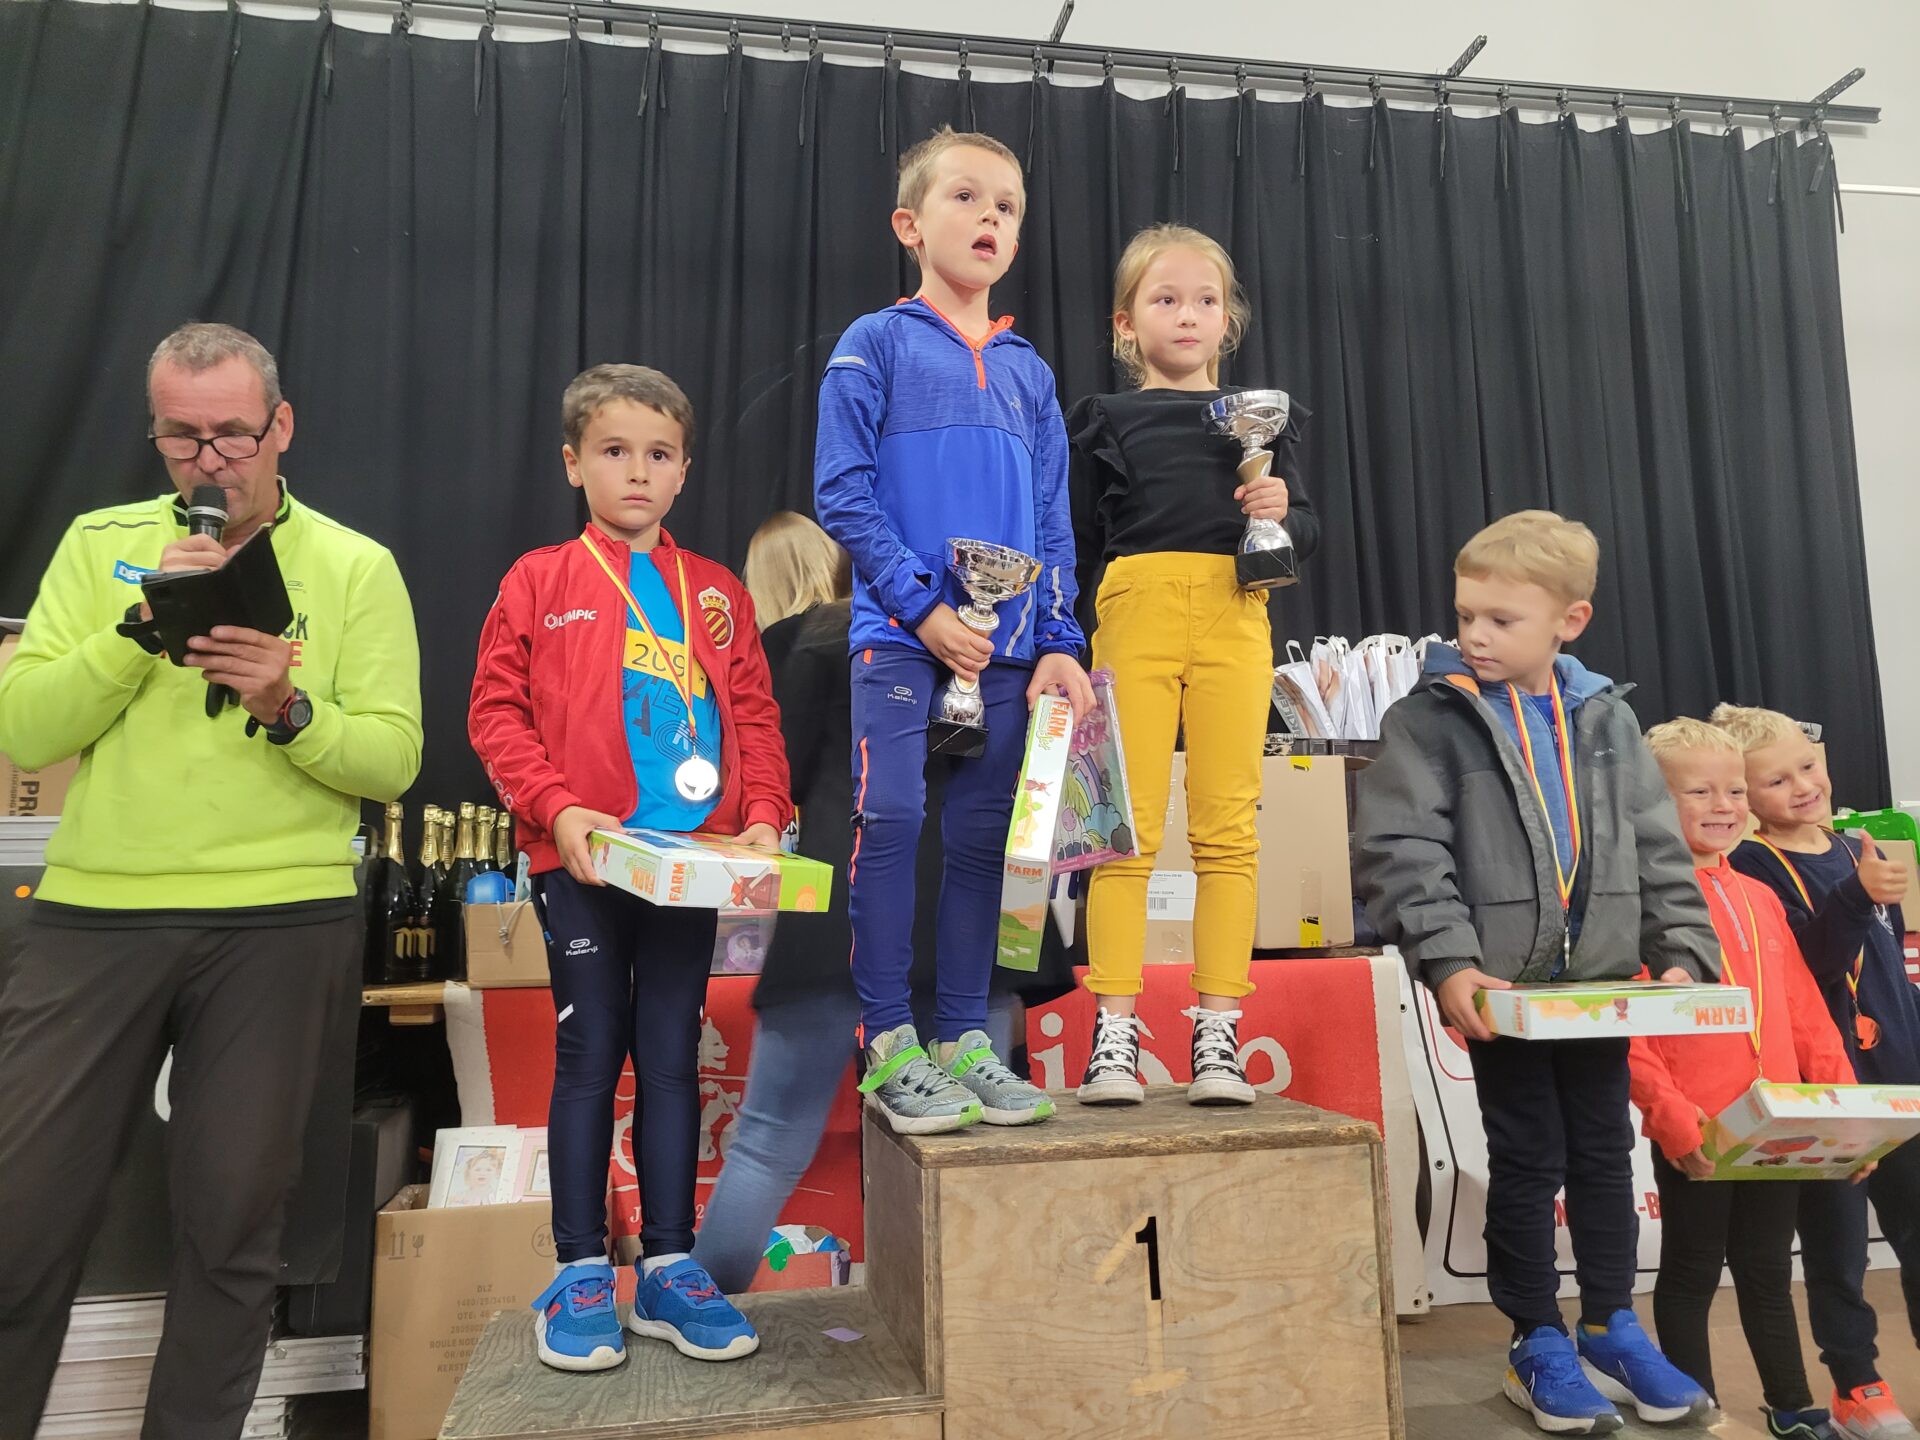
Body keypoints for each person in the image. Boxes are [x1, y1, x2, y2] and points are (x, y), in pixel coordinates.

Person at [0, 322, 423, 1440]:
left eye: (232, 434)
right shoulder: (101, 543)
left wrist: (290, 706)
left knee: (234, 1230)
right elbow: (26, 726)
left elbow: (392, 759)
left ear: (281, 427)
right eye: (181, 437)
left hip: (281, 920)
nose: (209, 461)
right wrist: (138, 629)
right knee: (19, 1217)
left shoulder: (355, 565)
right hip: (98, 912)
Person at [1353, 510, 1716, 1435]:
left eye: (1500, 619)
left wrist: (1684, 951)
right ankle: (1535, 1338)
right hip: (1506, 998)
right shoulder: (1427, 718)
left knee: (1603, 1154)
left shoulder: (1610, 717)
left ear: (1570, 621)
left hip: (1599, 993)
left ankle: (1610, 1325)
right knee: (1526, 1158)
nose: (1473, 634)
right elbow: (1402, 851)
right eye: (1465, 614)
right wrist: (1450, 962)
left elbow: (1657, 846)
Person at [469, 364, 790, 1373]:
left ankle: (668, 1266)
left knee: (670, 1053)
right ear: (574, 463)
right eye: (615, 452)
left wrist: (765, 817)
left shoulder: (718, 593)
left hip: (689, 865)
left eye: (659, 455)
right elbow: (495, 712)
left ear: (685, 470)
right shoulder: (540, 580)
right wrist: (556, 808)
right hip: (586, 860)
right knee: (589, 1051)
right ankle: (578, 1272)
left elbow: (755, 717)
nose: (637, 472)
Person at [814, 126, 1093, 1134]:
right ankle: (888, 1039)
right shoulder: (874, 343)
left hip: (1009, 655)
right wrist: (922, 607)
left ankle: (964, 1038)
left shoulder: (1030, 373)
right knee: (891, 821)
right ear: (909, 224)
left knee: (983, 842)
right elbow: (841, 492)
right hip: (901, 638)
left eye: (1006, 206)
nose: (989, 218)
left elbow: (1054, 523)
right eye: (966, 197)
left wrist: (1058, 639)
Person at [695, 513, 1022, 1292]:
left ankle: (696, 1310)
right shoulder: (988, 638)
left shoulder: (801, 643)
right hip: (962, 920)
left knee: (769, 1142)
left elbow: (769, 780)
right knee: (975, 1154)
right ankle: (987, 1333)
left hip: (841, 917)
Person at [1065, 223, 1320, 1108]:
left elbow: (1302, 532)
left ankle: (1219, 1031)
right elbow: (1079, 543)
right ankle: (1113, 1033)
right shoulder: (1105, 418)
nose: (1187, 314)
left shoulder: (1263, 415)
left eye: (1205, 300)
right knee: (1123, 830)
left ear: (1228, 320)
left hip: (1234, 614)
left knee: (1228, 830)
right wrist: (1064, 642)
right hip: (1133, 610)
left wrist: (1281, 508)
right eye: (1165, 299)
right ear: (1126, 323)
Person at [1633, 718, 1858, 1440]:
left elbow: (1806, 1013)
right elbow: (1630, 1028)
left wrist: (1845, 1113)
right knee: (1692, 1270)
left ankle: (1792, 1405)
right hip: (1700, 1125)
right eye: (1699, 791)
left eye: (1734, 789)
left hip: (1776, 1123)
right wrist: (1671, 1115)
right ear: (1652, 802)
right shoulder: (1639, 900)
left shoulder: (1758, 895)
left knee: (1766, 1268)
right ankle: (1693, 1409)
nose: (1723, 805)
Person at [1717, 702, 1920, 1440]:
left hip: (1899, 1075)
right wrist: (1857, 894)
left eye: (1807, 765)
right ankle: (1856, 1384)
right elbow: (1813, 968)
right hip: (1825, 1086)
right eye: (1776, 780)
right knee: (1838, 1246)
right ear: (1745, 797)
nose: (1803, 786)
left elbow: (1888, 972)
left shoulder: (1852, 844)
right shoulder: (1753, 865)